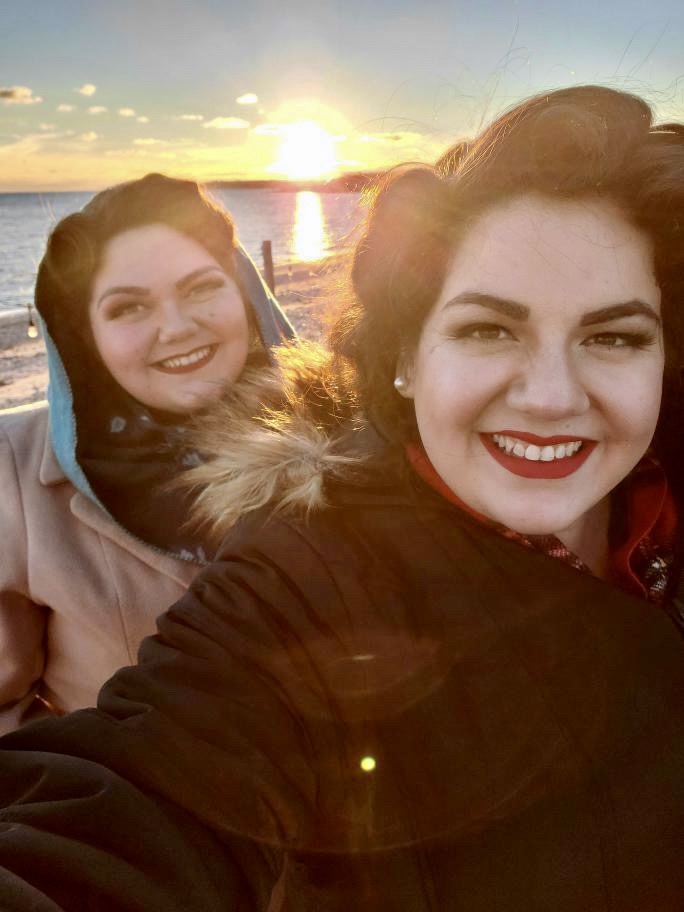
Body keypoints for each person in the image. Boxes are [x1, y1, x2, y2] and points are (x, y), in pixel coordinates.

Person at [2, 85, 684, 911]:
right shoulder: (303, 573)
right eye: (486, 328)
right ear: (404, 354)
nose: (549, 396)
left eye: (614, 336)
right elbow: (139, 787)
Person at [0, 172, 294, 734]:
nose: (178, 327)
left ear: (244, 294)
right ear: (86, 336)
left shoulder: (339, 435)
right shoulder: (14, 472)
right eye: (128, 308)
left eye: (202, 287)